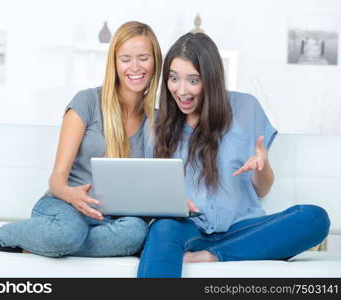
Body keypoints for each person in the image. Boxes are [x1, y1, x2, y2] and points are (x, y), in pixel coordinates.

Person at [0, 21, 162, 258]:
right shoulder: (87, 102)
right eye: (126, 59)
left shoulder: (157, 120)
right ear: (114, 63)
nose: (135, 67)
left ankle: (28, 245)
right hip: (64, 207)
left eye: (143, 57)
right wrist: (71, 194)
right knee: (68, 233)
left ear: (155, 61)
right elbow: (57, 179)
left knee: (136, 232)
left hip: (112, 218)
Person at [137, 32, 330, 278]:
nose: (181, 90)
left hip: (243, 228)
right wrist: (169, 204)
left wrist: (262, 167)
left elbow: (262, 189)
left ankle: (214, 254)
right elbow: (147, 192)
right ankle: (216, 250)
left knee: (314, 218)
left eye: (193, 80)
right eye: (173, 78)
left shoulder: (246, 107)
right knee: (163, 228)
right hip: (187, 228)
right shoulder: (156, 124)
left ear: (211, 79)